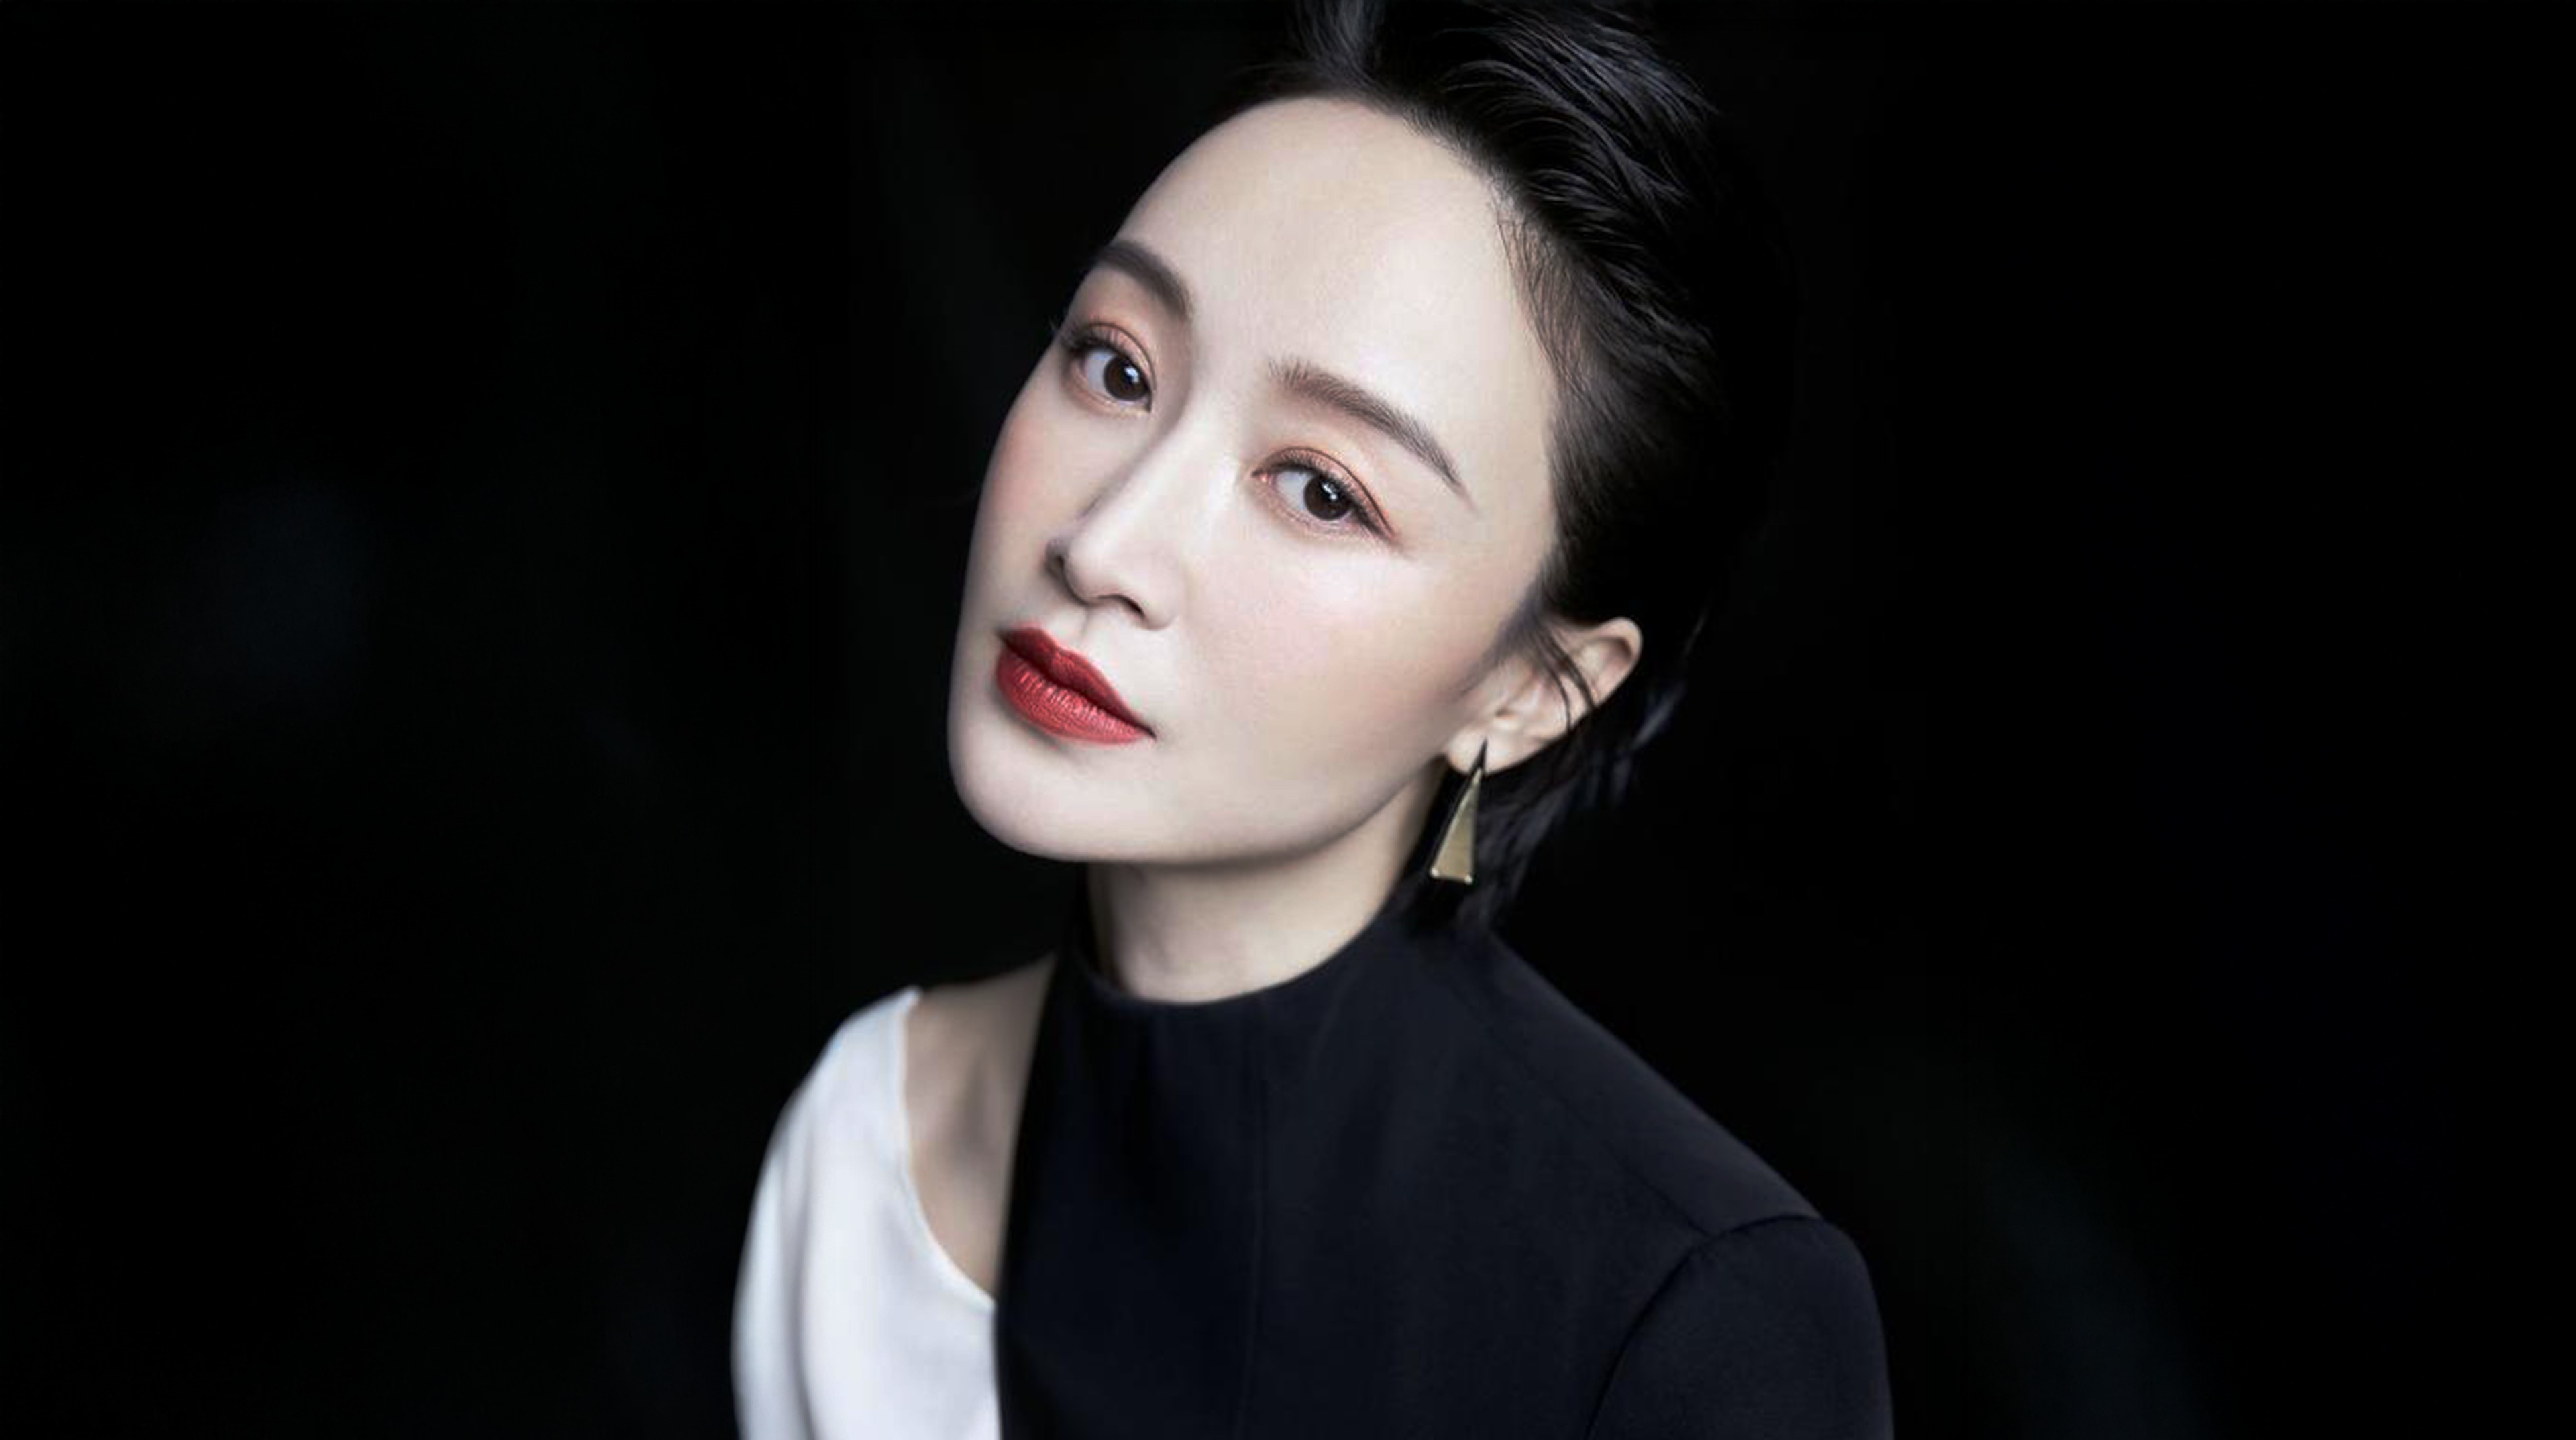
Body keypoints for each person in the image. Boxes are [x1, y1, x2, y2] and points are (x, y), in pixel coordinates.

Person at [734, 1, 1894, 1435]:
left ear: (1533, 690)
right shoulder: (870, 1137)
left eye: (1323, 490)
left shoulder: (1695, 1318)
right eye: (1117, 366)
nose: (1104, 544)